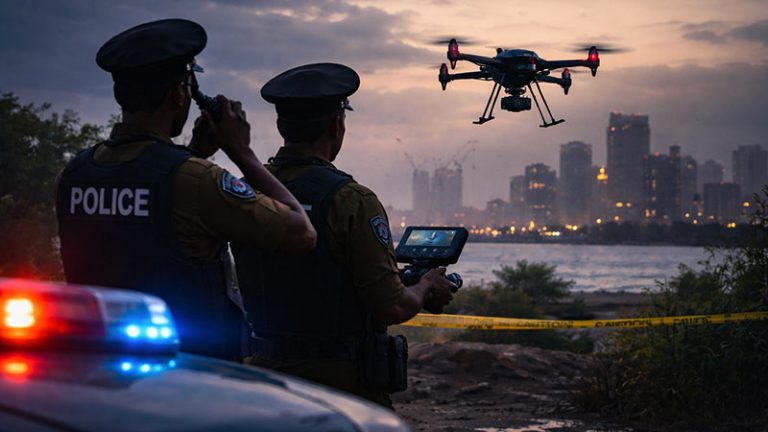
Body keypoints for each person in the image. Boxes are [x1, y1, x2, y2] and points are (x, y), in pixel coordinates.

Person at [55, 19, 316, 361]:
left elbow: (142, 228)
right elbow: (301, 232)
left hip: (97, 363)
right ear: (180, 94)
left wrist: (192, 154)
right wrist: (240, 151)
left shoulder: (76, 173)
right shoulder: (194, 179)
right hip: (188, 374)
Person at [232, 63, 456, 407]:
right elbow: (392, 305)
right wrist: (425, 286)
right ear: (336, 126)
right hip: (340, 388)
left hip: (264, 378)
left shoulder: (244, 192)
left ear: (281, 126)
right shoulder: (351, 200)